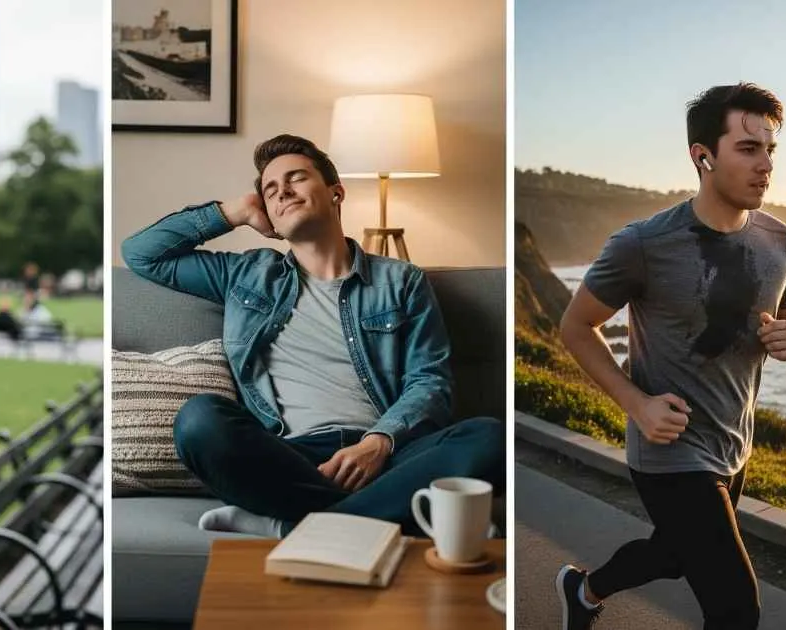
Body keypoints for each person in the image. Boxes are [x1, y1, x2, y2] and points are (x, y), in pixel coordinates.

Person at [121, 134, 505, 539]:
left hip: (386, 458)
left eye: (296, 178)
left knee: (489, 437)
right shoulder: (245, 275)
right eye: (271, 190)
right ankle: (378, 517)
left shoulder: (400, 281)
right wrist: (235, 210)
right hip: (288, 457)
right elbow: (141, 254)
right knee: (199, 419)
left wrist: (379, 442)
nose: (282, 191)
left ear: (336, 192)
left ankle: (288, 525)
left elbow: (429, 381)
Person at [555, 83, 786, 630]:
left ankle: (584, 589)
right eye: (747, 149)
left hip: (732, 441)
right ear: (702, 156)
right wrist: (637, 405)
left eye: (770, 150)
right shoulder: (642, 243)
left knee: (673, 555)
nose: (765, 165)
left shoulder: (779, 240)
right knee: (736, 609)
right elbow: (575, 326)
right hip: (668, 450)